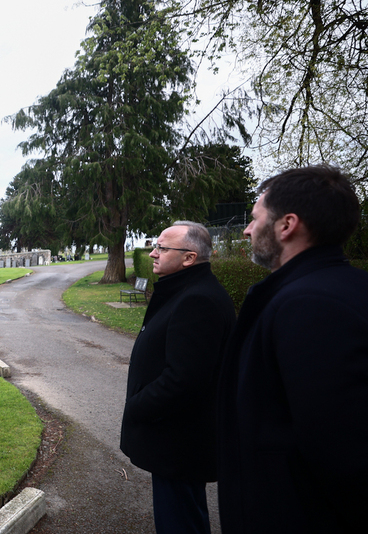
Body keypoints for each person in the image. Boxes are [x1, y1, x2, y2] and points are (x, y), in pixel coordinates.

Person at [217, 165, 368, 533]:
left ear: (287, 225)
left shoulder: (312, 306)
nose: (248, 230)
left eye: (255, 219)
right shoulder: (341, 288)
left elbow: (341, 455)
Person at [121, 221, 236, 534]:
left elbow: (184, 380)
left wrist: (136, 407)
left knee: (179, 521)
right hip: (179, 440)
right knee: (186, 513)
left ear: (189, 258)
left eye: (162, 248)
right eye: (155, 246)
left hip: (180, 441)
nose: (154, 254)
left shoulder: (197, 300)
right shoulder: (185, 291)